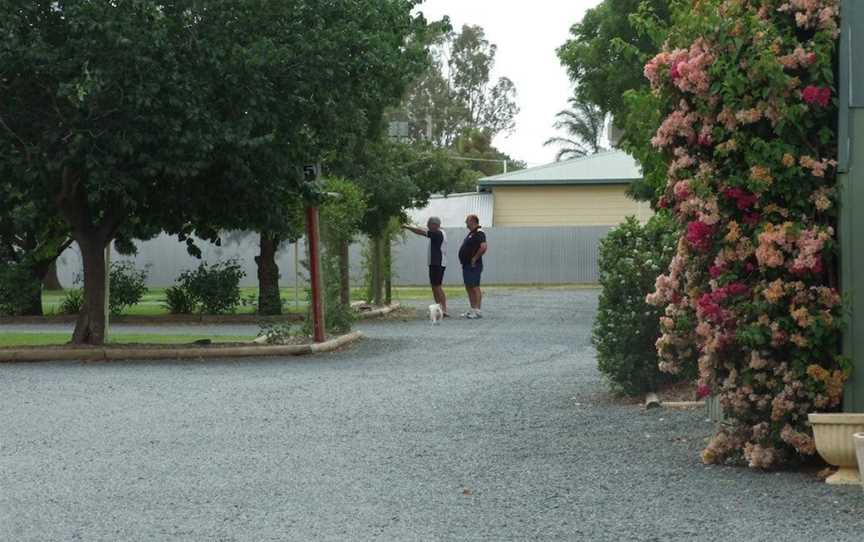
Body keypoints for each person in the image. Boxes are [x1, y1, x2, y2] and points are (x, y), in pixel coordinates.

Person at [402, 217, 449, 316]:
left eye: (429, 224)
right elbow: (423, 230)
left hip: (437, 263)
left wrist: (407, 226)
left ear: (435, 225)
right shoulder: (441, 232)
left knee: (437, 287)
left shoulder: (437, 233)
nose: (427, 226)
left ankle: (443, 309)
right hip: (436, 263)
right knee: (435, 286)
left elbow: (421, 232)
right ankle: (439, 309)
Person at [458, 214, 487, 319]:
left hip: (474, 265)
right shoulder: (472, 233)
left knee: (475, 286)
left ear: (473, 221)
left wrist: (475, 258)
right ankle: (472, 309)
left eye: (467, 221)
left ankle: (478, 311)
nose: (466, 223)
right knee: (468, 286)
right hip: (466, 265)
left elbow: (483, 247)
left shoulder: (479, 233)